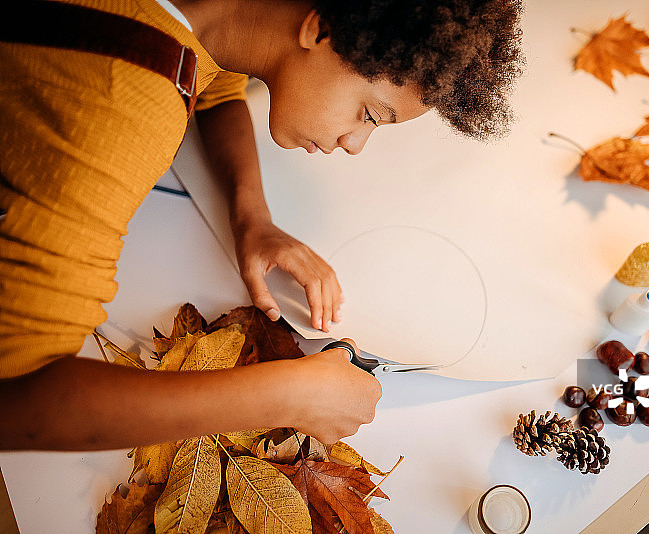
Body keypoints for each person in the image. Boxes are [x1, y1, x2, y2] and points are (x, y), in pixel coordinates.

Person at [0, 0, 523, 450]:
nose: (356, 144)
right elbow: (22, 400)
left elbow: (213, 79)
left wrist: (252, 216)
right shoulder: (118, 110)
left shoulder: (215, 18)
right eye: (369, 114)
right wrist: (287, 396)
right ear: (318, 29)